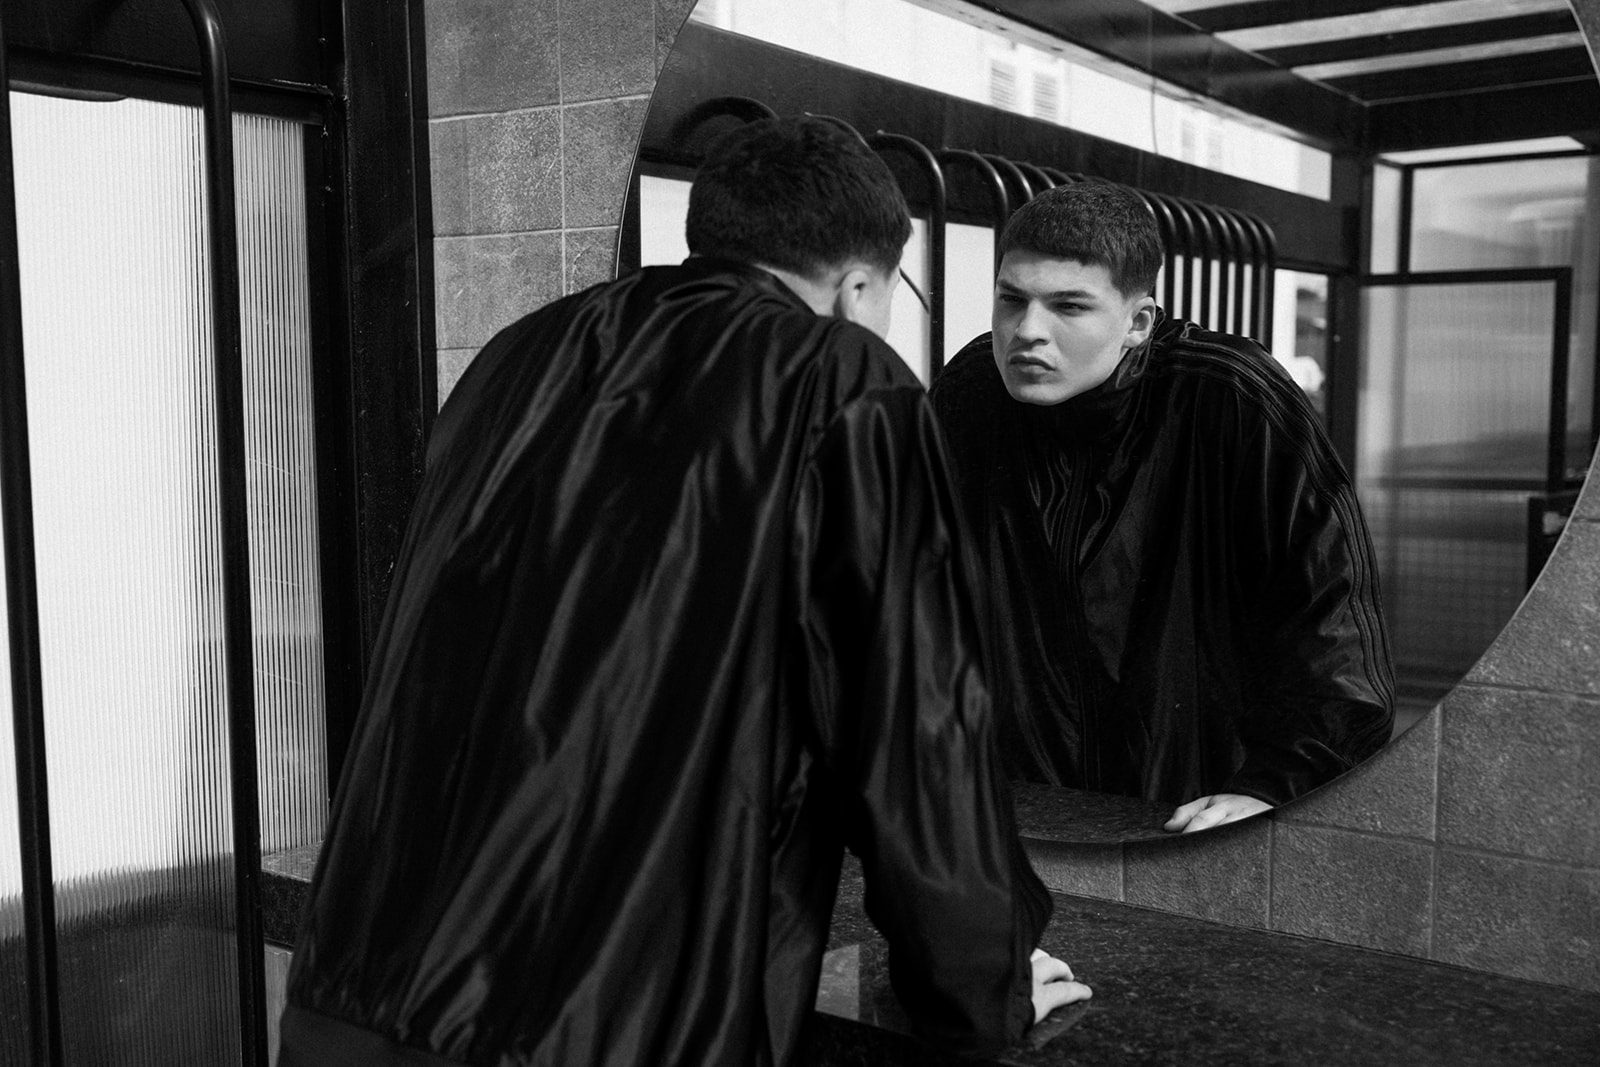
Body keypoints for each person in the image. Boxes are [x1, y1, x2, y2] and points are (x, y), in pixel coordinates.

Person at [278, 117, 1088, 1067]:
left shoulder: (520, 355)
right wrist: (985, 985)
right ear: (859, 286)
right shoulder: (840, 379)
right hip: (600, 1025)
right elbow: (917, 730)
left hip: (355, 993)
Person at [930, 181, 1395, 834]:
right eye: (1012, 299)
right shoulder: (973, 388)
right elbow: (918, 588)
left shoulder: (1229, 393)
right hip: (1018, 799)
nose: (1027, 332)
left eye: (1069, 306)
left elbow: (1329, 607)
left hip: (1197, 807)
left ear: (1138, 322)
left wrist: (1277, 785)